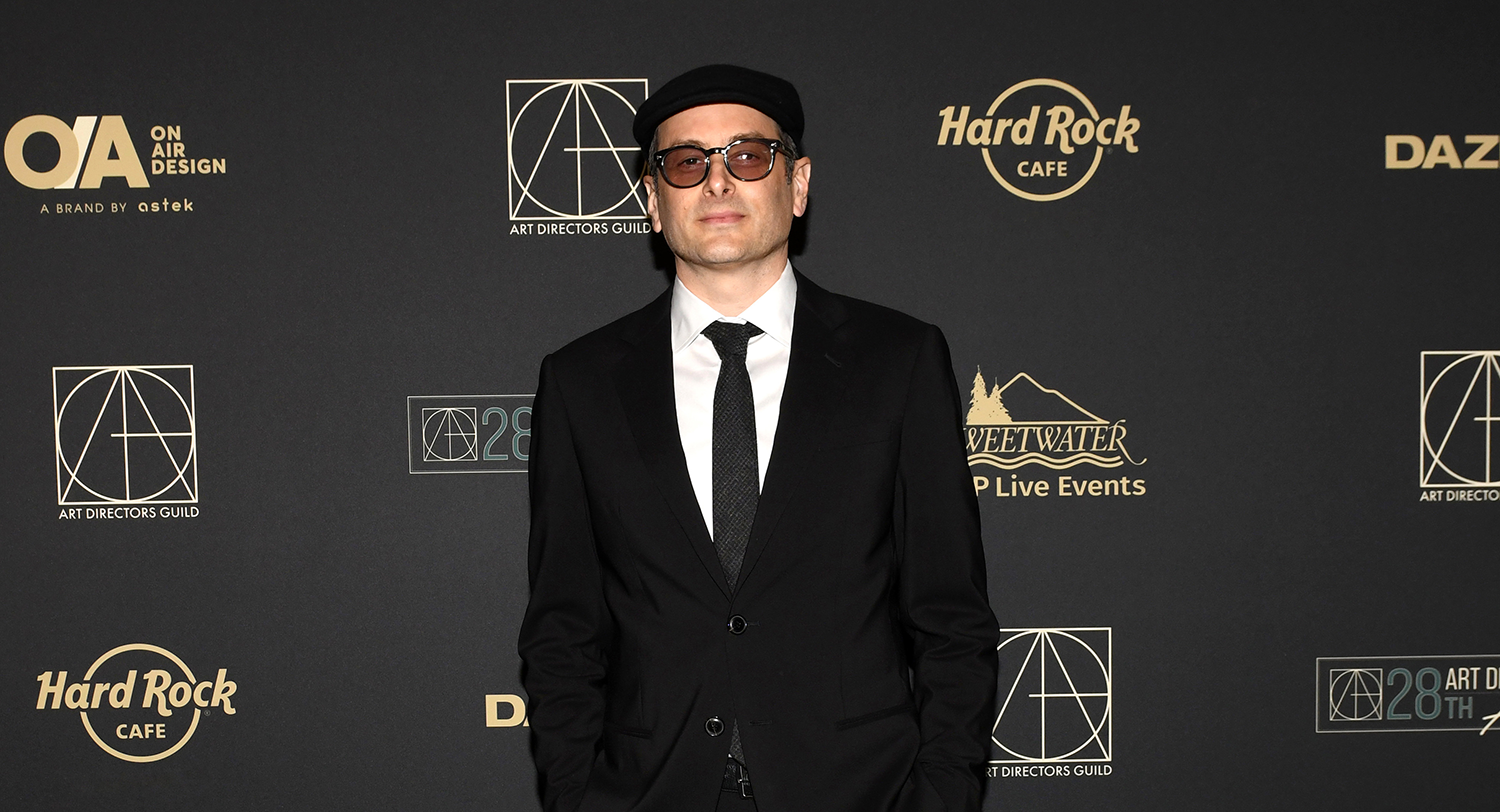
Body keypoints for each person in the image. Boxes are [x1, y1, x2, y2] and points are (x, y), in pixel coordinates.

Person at [518, 64, 998, 812]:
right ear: (653, 200)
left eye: (748, 156)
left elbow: (951, 618)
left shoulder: (897, 361)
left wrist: (941, 797)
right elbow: (562, 631)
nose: (717, 183)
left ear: (797, 185)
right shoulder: (581, 383)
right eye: (687, 162)